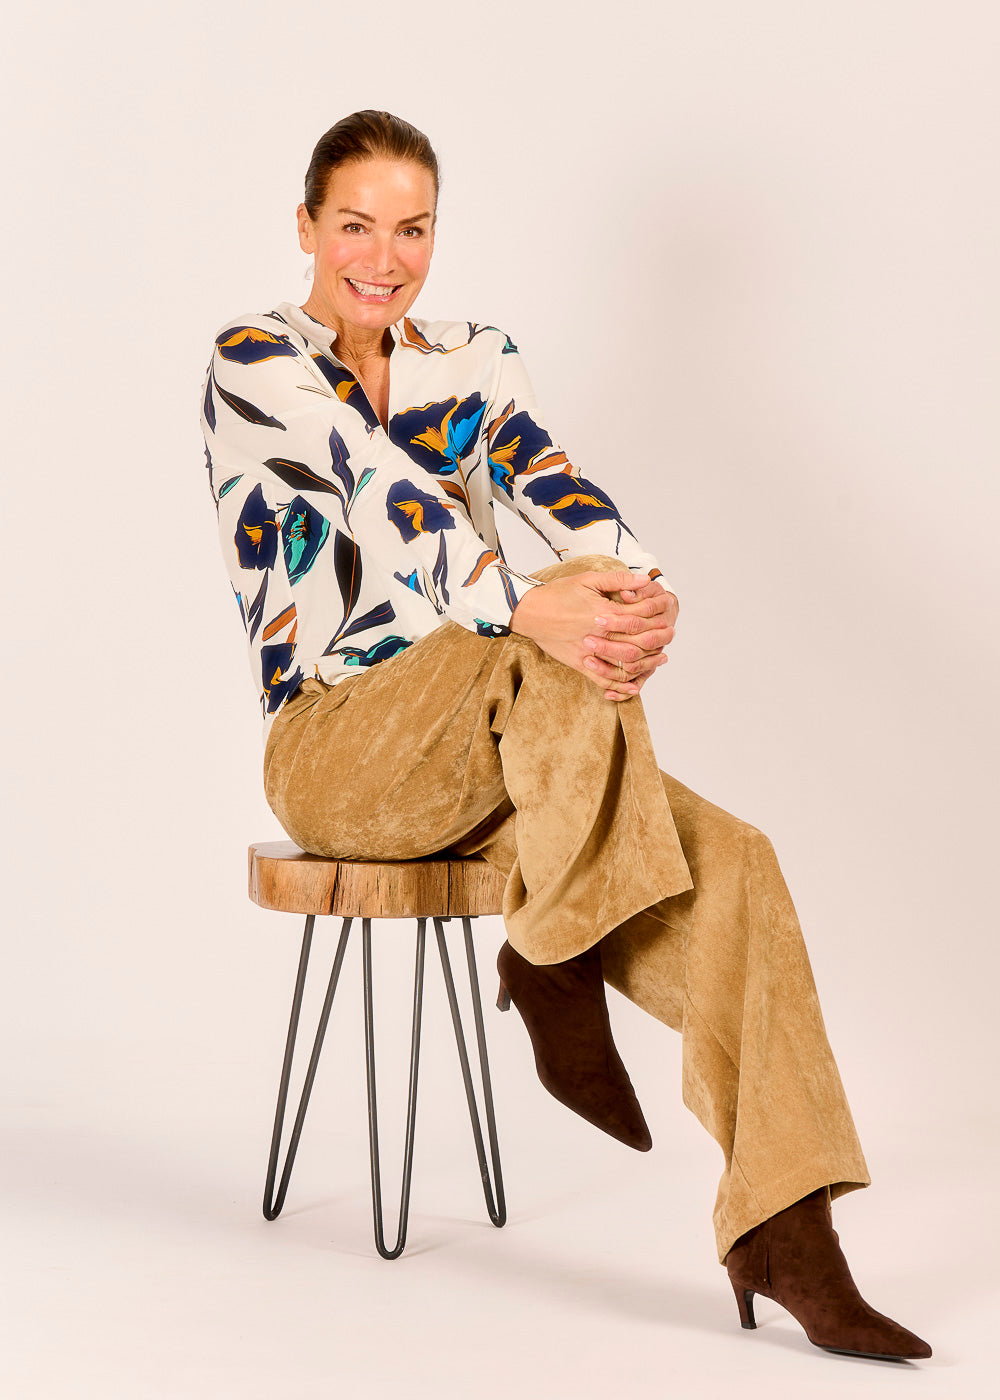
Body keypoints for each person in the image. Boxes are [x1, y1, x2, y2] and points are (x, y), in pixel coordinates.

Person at [198, 109, 931, 1363]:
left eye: (413, 229)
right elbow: (385, 496)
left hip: (506, 742)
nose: (385, 256)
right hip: (338, 745)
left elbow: (552, 481)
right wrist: (536, 606)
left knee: (738, 859)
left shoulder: (474, 360)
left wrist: (637, 587)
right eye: (357, 225)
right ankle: (552, 954)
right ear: (307, 226)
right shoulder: (256, 359)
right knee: (536, 635)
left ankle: (785, 1233)